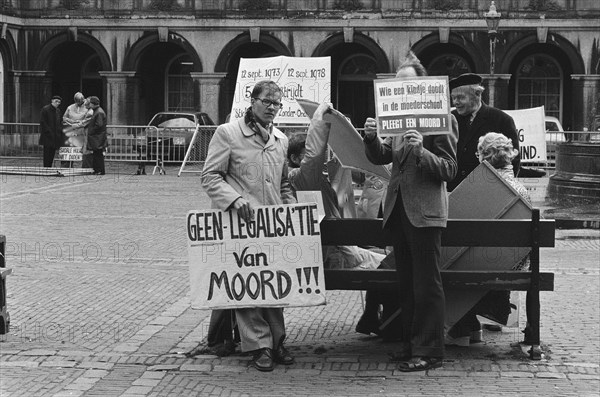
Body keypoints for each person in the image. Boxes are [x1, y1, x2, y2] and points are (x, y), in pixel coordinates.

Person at [362, 51, 458, 372]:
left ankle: (430, 351)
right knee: (407, 283)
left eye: (408, 84)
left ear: (422, 86)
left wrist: (422, 152)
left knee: (426, 284)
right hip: (399, 210)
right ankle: (410, 343)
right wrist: (372, 138)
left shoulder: (441, 118)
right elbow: (383, 156)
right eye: (398, 84)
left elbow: (449, 168)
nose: (402, 90)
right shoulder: (397, 122)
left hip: (426, 212)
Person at [201, 80, 296, 372]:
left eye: (277, 103)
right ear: (252, 101)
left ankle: (277, 341)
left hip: (273, 227)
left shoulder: (281, 139)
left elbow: (283, 183)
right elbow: (210, 176)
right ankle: (259, 346)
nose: (271, 108)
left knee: (273, 284)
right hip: (240, 227)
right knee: (246, 287)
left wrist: (292, 211)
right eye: (266, 101)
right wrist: (235, 200)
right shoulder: (227, 134)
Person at [447, 73, 520, 192]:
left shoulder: (502, 119)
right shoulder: (450, 119)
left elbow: (513, 161)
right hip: (454, 191)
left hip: (486, 192)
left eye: (460, 97)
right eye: (453, 98)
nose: (455, 102)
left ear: (477, 94)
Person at [63, 92, 93, 168]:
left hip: (83, 132)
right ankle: (67, 166)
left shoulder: (88, 107)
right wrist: (72, 122)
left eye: (81, 101)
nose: (79, 103)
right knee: (69, 150)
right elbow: (64, 118)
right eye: (77, 101)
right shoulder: (70, 107)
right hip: (71, 131)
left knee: (84, 150)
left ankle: (85, 166)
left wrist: (79, 123)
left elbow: (87, 119)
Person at [85, 96, 108, 175]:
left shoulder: (99, 112)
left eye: (90, 103)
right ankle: (97, 169)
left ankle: (99, 170)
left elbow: (99, 124)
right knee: (96, 154)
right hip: (97, 136)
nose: (89, 104)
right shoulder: (97, 111)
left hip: (98, 137)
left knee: (98, 154)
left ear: (93, 104)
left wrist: (92, 131)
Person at [39, 95, 64, 167]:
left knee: (52, 153)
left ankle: (49, 167)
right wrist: (49, 132)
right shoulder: (45, 109)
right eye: (56, 101)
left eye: (59, 102)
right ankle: (46, 167)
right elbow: (43, 122)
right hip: (48, 136)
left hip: (55, 136)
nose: (57, 103)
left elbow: (59, 122)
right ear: (52, 101)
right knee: (47, 153)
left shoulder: (58, 111)